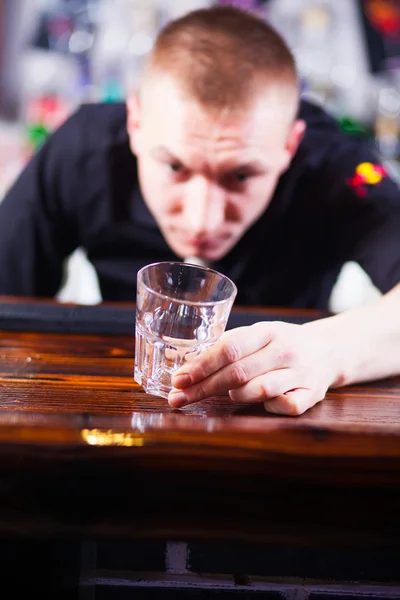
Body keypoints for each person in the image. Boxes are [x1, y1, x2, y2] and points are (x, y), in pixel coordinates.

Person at [0, 6, 399, 415]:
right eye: (174, 166)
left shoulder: (336, 167)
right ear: (135, 124)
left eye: (241, 175)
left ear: (290, 146)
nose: (201, 220)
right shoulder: (83, 149)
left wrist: (329, 349)